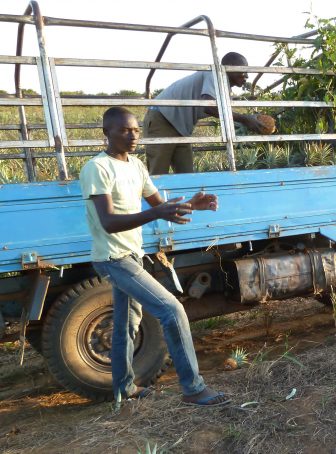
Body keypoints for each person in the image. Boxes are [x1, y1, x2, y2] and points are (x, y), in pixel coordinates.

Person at [79, 106, 230, 406]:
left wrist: (192, 205)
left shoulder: (136, 166)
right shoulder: (97, 168)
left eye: (136, 130)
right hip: (113, 257)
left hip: (132, 253)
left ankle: (125, 389)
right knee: (171, 310)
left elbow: (161, 206)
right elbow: (109, 222)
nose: (133, 135)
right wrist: (155, 212)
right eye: (124, 130)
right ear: (106, 133)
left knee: (125, 323)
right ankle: (193, 388)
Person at [144, 51, 275, 174]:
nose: (246, 75)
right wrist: (245, 119)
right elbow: (209, 107)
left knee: (186, 174)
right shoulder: (214, 74)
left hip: (181, 128)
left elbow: (223, 112)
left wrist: (250, 122)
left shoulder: (225, 89)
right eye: (243, 70)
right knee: (158, 174)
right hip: (162, 119)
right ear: (229, 68)